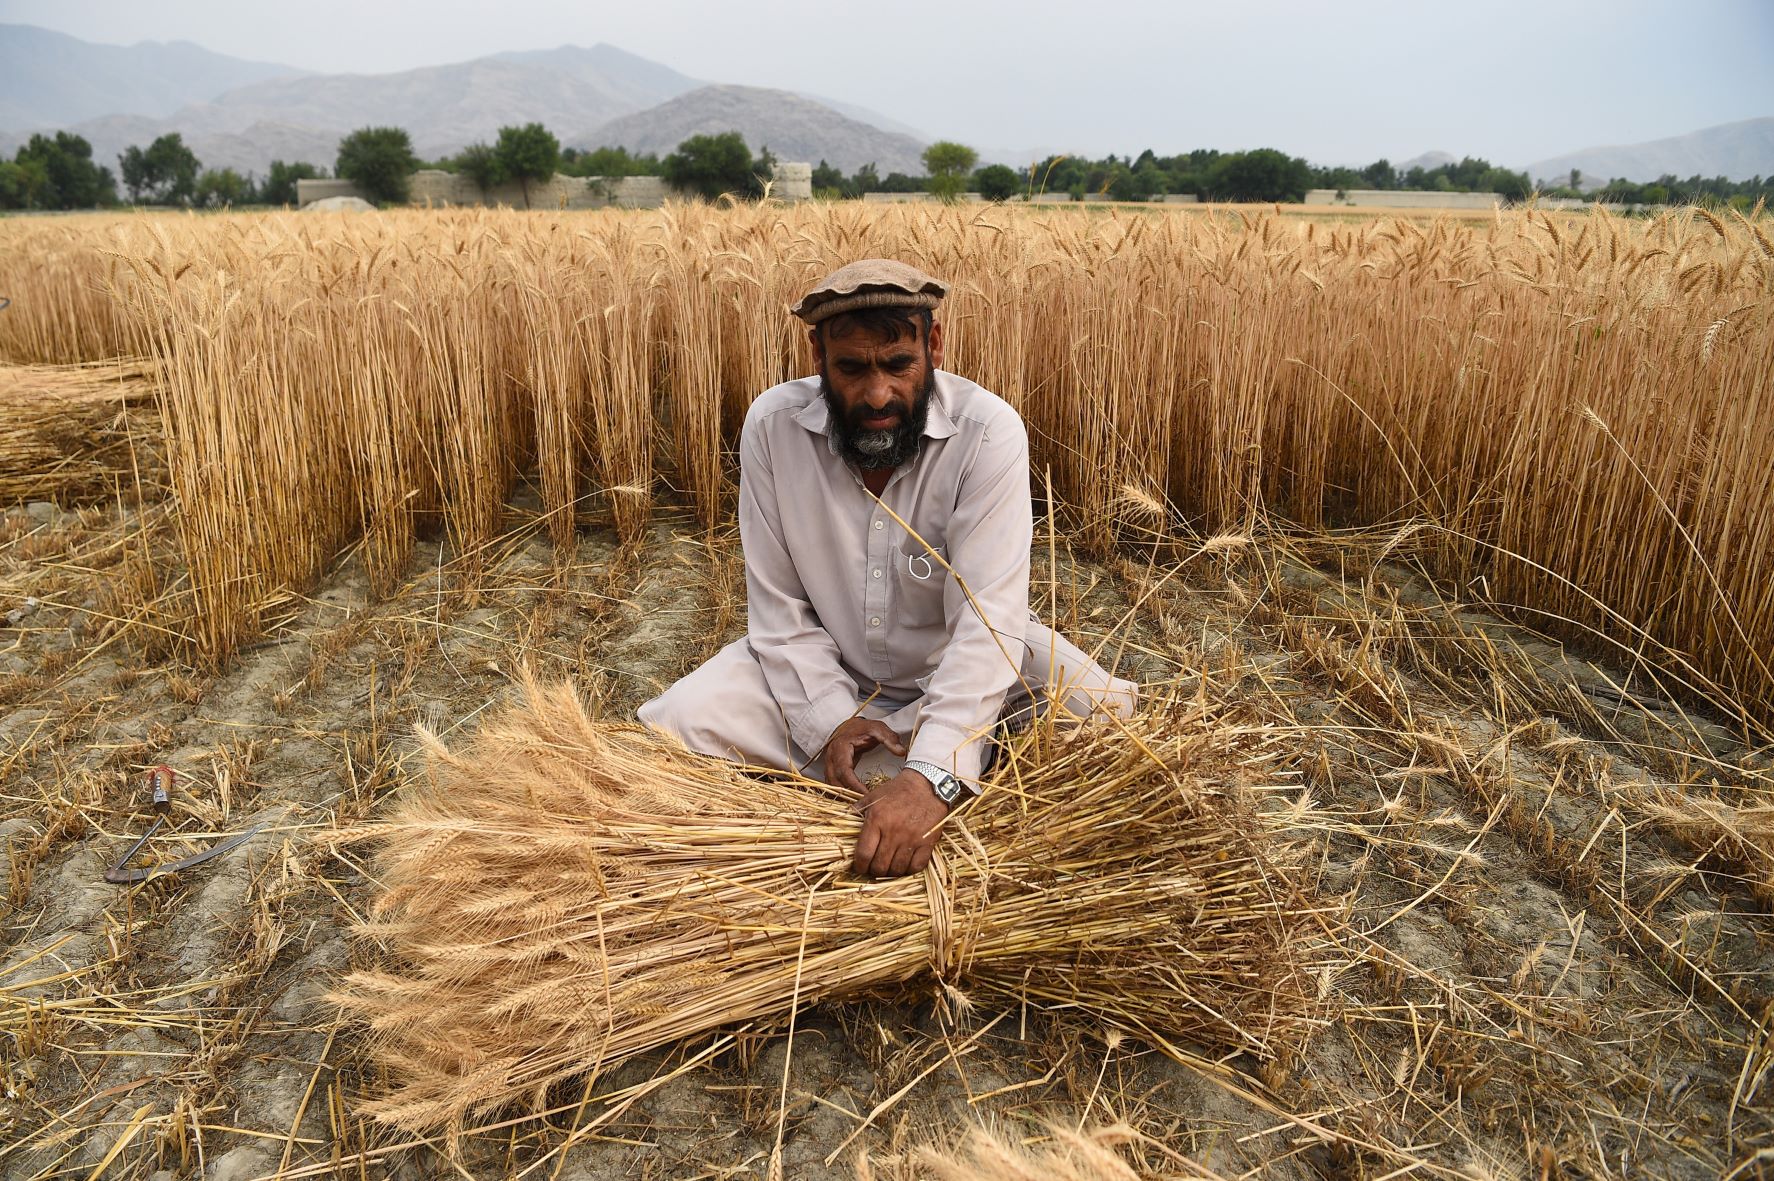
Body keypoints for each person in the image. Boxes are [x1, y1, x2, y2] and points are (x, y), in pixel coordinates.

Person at [638, 259, 1135, 878]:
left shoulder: (987, 433)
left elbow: (989, 624)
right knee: (677, 724)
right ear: (818, 357)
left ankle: (925, 761)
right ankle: (921, 762)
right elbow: (780, 609)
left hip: (962, 668)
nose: (877, 395)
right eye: (852, 369)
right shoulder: (772, 427)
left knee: (1104, 717)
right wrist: (832, 723)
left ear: (933, 347)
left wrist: (930, 777)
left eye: (898, 365)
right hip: (827, 668)